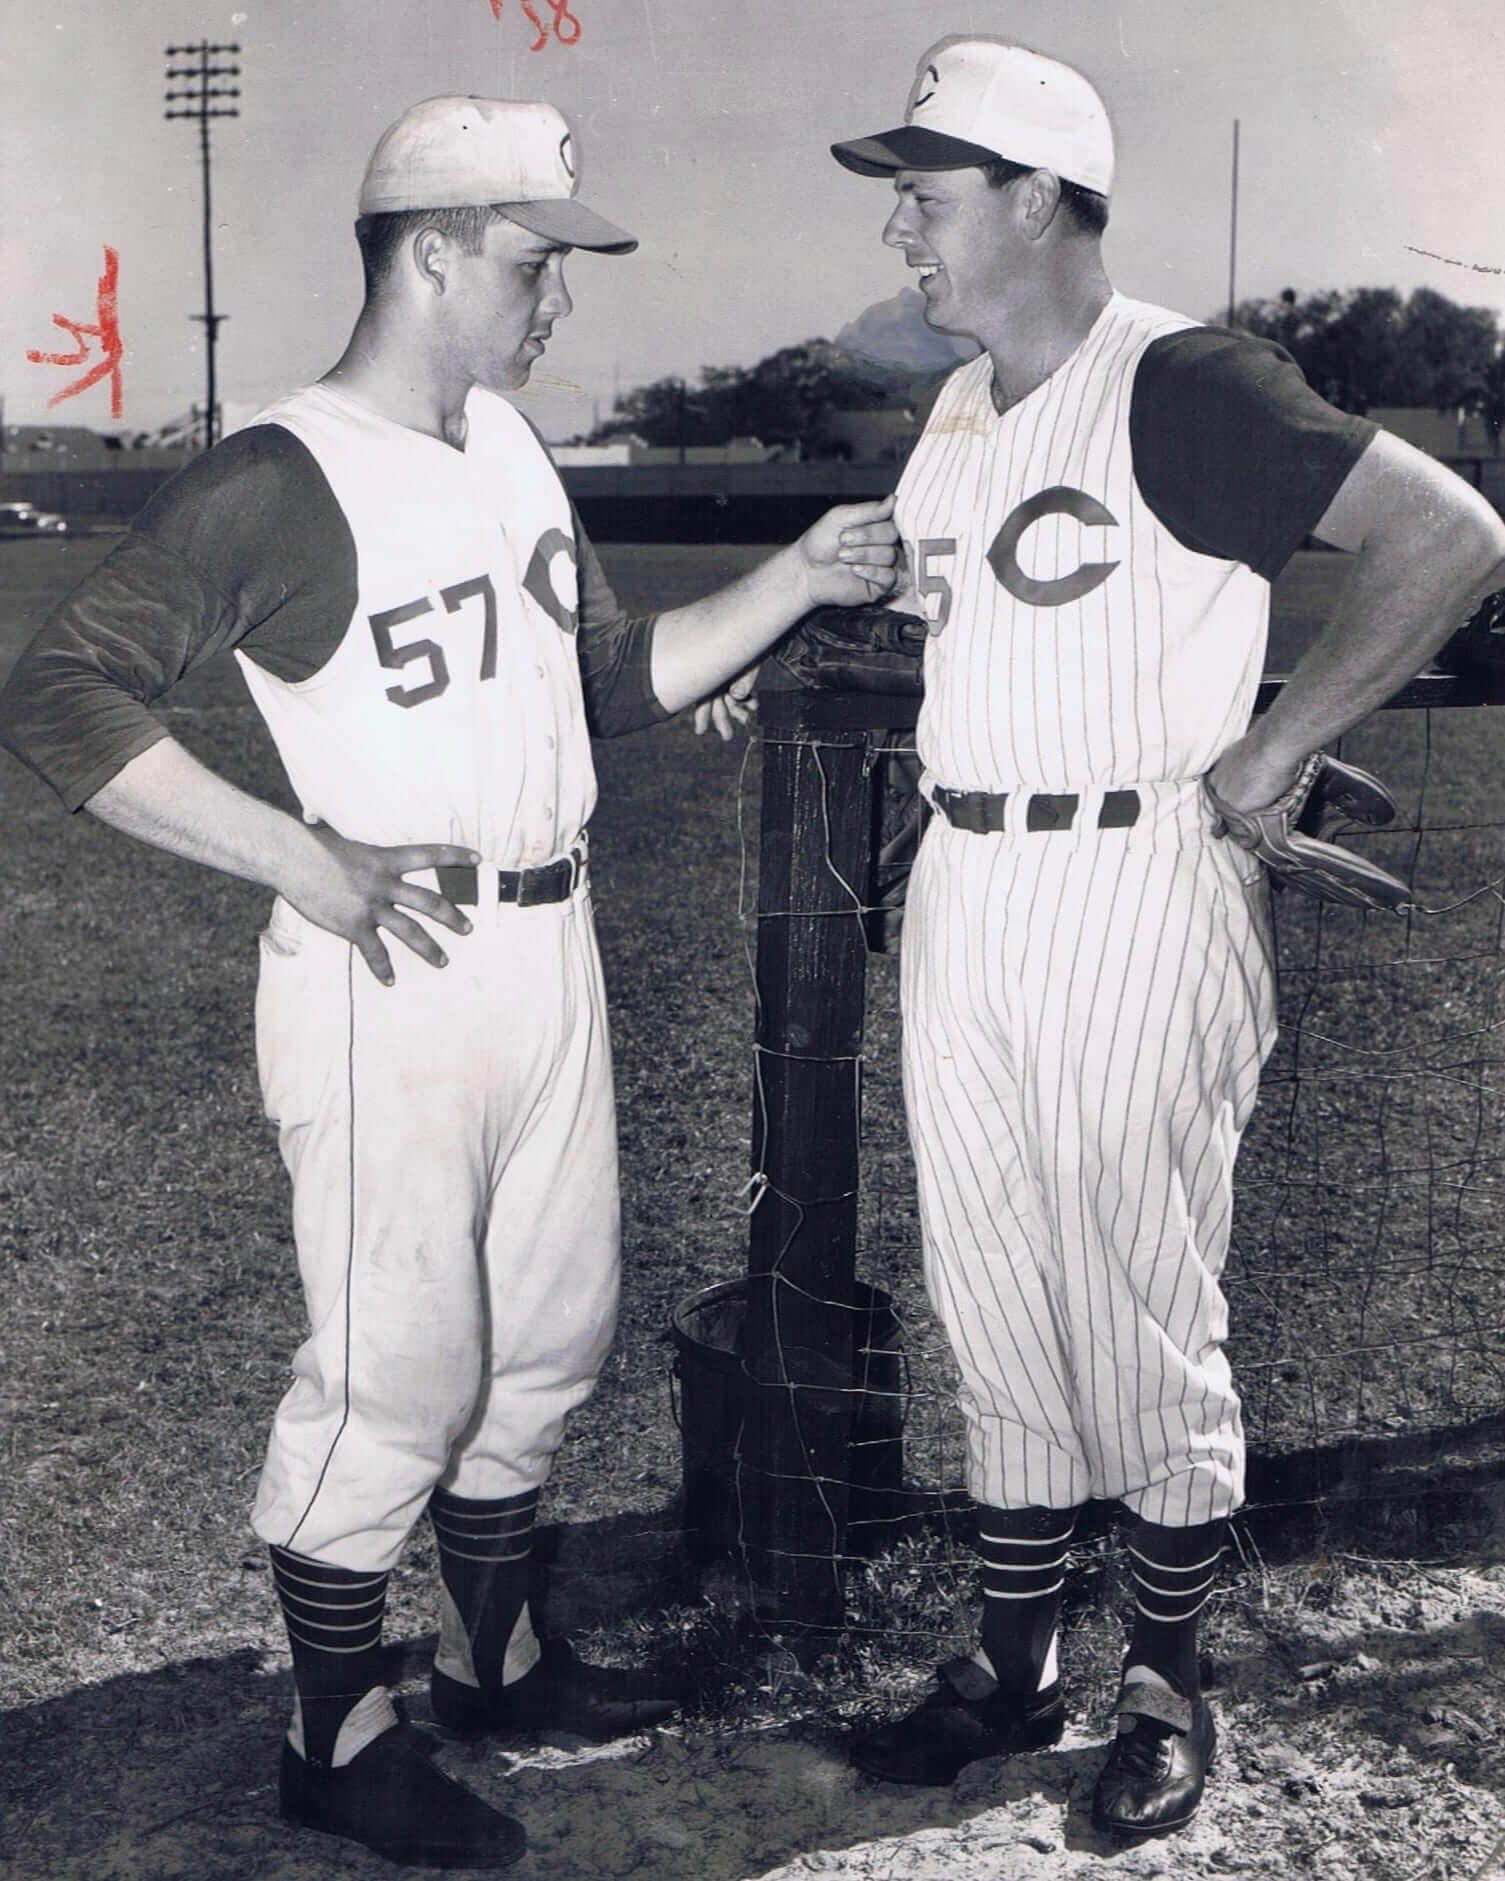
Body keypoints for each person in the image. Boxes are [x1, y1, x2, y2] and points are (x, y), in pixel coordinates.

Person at [0, 95, 896, 1871]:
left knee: (547, 1338)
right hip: (381, 962)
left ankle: (498, 1655)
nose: (557, 296)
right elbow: (59, 692)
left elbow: (602, 683)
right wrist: (298, 858)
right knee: (397, 1368)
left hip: (544, 946)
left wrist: (795, 577)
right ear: (426, 254)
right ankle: (332, 1736)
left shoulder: (501, 448)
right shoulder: (280, 470)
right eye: (530, 258)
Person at [828, 35, 1505, 1840]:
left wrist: (1277, 746)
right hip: (966, 886)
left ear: (1039, 198)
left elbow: (1446, 536)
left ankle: (1166, 1682)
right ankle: (1013, 1655)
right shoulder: (962, 407)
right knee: (995, 1288)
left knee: (1136, 1297)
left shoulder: (1178, 376)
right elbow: (941, 606)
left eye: (929, 185)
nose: (898, 219)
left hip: (1134, 878)